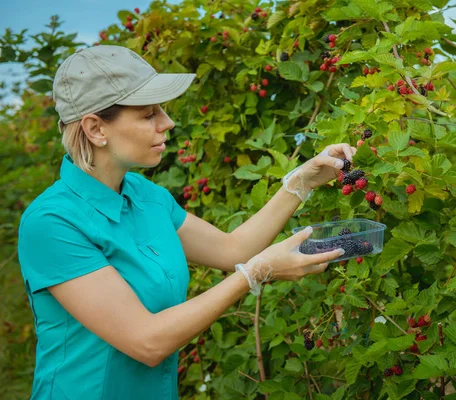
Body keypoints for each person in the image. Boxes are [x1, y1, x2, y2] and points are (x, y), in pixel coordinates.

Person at [17, 45, 357, 399]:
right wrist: (254, 273)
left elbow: (231, 249)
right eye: (149, 114)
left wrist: (301, 180)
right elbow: (146, 341)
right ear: (95, 129)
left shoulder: (145, 196)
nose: (167, 122)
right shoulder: (52, 223)